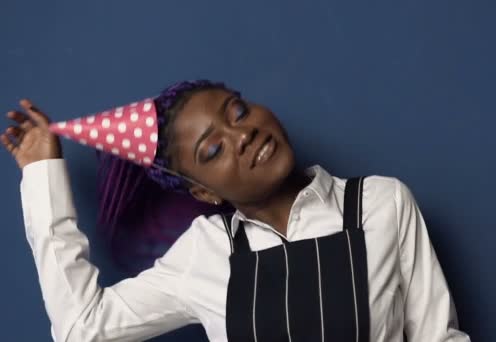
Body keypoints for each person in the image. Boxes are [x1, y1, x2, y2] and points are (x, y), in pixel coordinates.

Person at [2, 80, 471, 342]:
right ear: (204, 193)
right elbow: (83, 328)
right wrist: (42, 176)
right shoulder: (206, 253)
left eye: (238, 111)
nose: (242, 135)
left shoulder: (381, 204)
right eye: (212, 151)